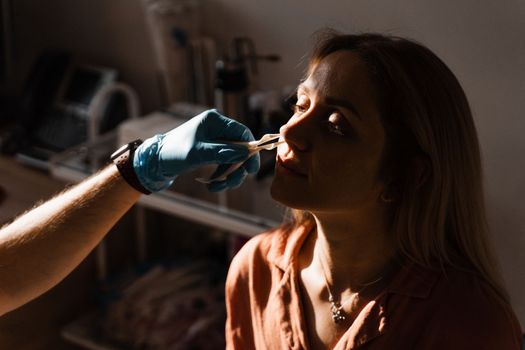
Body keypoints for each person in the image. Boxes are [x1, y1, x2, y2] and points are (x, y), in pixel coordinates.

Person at [224, 32, 523, 349]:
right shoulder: (256, 270)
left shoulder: (470, 326)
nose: (289, 130)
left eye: (336, 125)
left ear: (403, 176)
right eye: (300, 105)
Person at [0, 109, 260, 317]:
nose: (286, 130)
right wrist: (141, 166)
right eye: (298, 105)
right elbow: (7, 277)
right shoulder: (261, 260)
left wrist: (137, 170)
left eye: (301, 107)